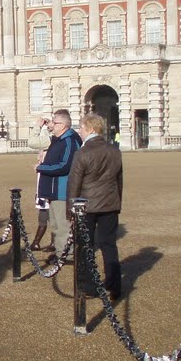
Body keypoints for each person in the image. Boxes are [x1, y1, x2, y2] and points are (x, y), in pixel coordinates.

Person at [68, 112, 124, 302]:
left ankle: (90, 285)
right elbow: (119, 181)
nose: (80, 132)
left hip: (87, 206)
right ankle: (114, 285)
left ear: (90, 129)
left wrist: (71, 211)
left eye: (81, 129)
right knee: (109, 245)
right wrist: (117, 203)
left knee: (86, 246)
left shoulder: (82, 152)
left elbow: (74, 184)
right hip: (109, 204)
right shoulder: (114, 151)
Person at [35, 109, 82, 256]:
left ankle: (66, 255)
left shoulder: (69, 141)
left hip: (62, 189)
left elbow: (64, 165)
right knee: (56, 225)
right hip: (53, 189)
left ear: (63, 125)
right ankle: (60, 252)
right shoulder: (59, 139)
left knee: (63, 225)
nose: (51, 125)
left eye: (54, 123)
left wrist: (41, 167)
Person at [26, 117, 54, 251]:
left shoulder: (51, 142)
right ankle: (38, 242)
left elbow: (32, 141)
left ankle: (38, 243)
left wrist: (39, 126)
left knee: (48, 214)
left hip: (47, 184)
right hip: (45, 183)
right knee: (47, 213)